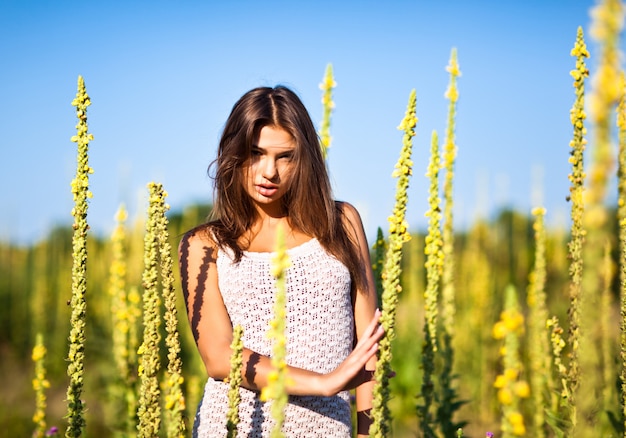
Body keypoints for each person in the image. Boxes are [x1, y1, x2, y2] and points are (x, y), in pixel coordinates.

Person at [178, 85, 382, 437]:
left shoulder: (342, 224)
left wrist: (368, 433)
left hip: (328, 430)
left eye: (284, 156)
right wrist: (325, 383)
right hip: (236, 428)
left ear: (305, 158)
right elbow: (219, 358)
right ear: (233, 154)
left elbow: (370, 352)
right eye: (256, 154)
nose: (268, 171)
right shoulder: (203, 245)